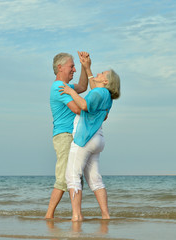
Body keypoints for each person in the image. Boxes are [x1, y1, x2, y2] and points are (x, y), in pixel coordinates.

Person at [59, 54, 120, 221]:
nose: (98, 75)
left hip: (84, 139)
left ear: (106, 82)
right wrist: (87, 68)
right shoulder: (105, 95)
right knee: (95, 180)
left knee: (72, 176)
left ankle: (76, 216)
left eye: (102, 74)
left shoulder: (99, 92)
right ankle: (106, 216)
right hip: (98, 139)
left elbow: (84, 105)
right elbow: (94, 88)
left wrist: (71, 91)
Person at [45, 52, 89, 219]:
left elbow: (83, 87)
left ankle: (76, 215)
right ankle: (49, 216)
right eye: (72, 66)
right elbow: (77, 108)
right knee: (64, 176)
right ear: (60, 67)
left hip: (73, 136)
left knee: (75, 177)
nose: (74, 69)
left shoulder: (68, 88)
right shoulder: (59, 88)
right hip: (64, 136)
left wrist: (85, 66)